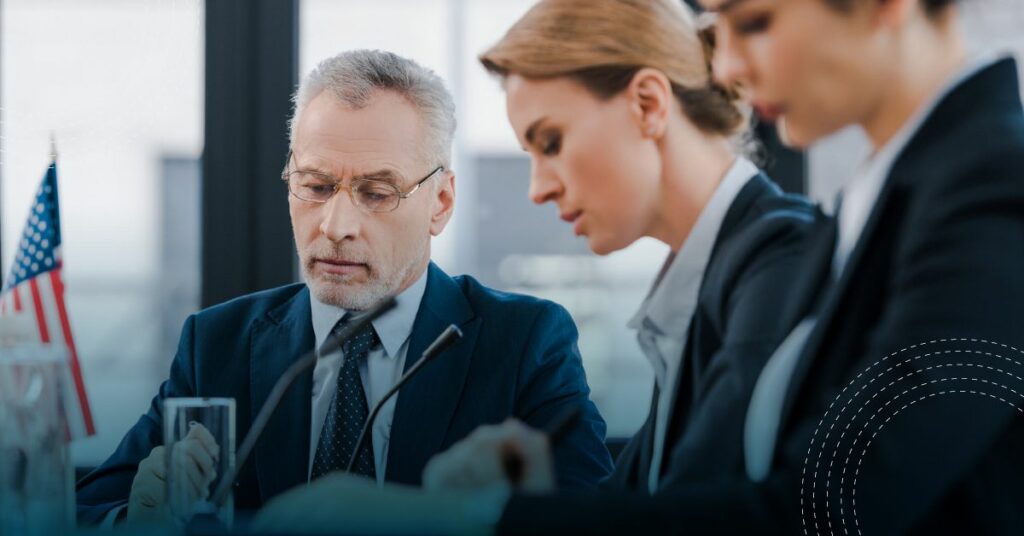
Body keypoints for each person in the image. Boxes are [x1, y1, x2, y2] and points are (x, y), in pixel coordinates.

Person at [254, 0, 1024, 533]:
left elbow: (830, 505)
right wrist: (527, 494)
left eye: (753, 20)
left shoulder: (978, 189)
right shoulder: (853, 218)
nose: (727, 60)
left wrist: (451, 520)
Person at [75, 49, 613, 526]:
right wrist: (136, 518)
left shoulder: (523, 344)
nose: (335, 225)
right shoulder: (216, 344)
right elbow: (84, 511)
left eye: (377, 193)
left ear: (441, 203)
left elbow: (594, 518)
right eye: (315, 186)